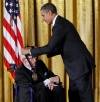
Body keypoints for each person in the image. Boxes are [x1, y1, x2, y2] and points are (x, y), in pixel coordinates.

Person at [21, 3, 96, 102]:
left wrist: (30, 51)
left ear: (50, 12)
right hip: (75, 67)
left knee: (85, 98)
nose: (43, 19)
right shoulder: (60, 23)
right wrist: (39, 49)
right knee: (73, 95)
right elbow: (59, 47)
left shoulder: (60, 25)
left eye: (43, 16)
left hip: (80, 66)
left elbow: (50, 47)